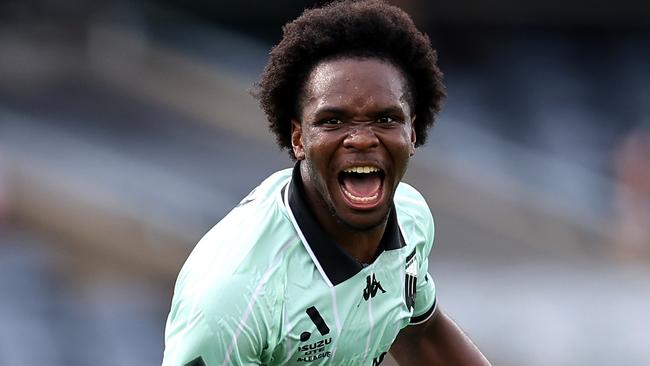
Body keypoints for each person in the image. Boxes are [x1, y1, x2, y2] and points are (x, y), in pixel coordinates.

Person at [162, 1, 491, 365]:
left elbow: (422, 335)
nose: (362, 139)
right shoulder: (232, 295)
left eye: (385, 118)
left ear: (413, 133)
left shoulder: (411, 218)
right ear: (298, 139)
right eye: (333, 121)